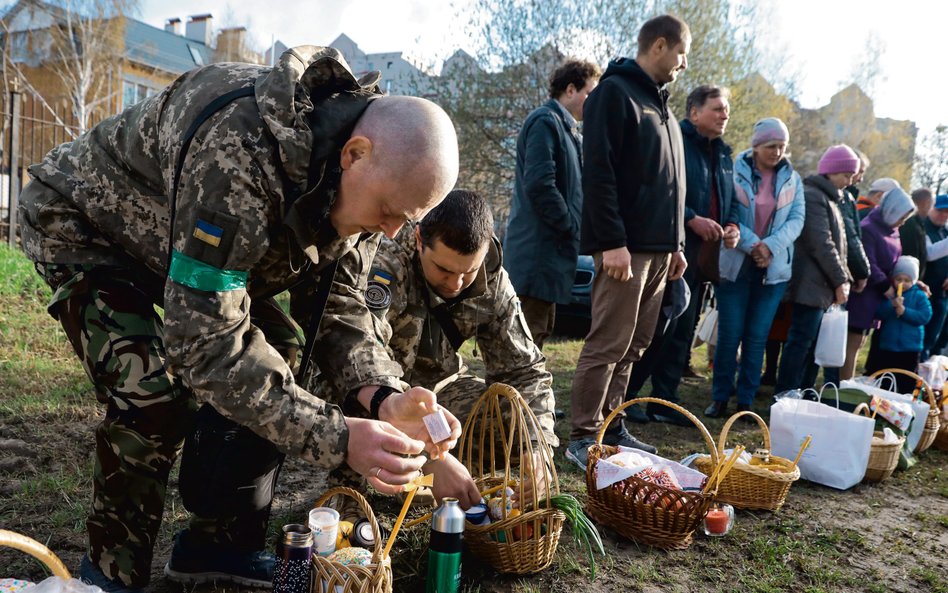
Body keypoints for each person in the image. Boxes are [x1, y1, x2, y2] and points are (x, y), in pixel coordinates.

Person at [17, 46, 461, 591]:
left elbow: (341, 309)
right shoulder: (240, 151)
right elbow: (204, 344)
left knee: (281, 352)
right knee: (151, 392)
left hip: (178, 249)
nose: (391, 233)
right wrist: (337, 436)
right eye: (391, 213)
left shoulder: (366, 186)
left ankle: (218, 545)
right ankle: (109, 575)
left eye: (404, 221)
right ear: (355, 154)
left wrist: (382, 395)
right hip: (87, 230)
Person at [317, 189, 557, 510]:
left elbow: (524, 370)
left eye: (468, 272)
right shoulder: (385, 265)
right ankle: (355, 491)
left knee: (511, 421)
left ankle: (427, 474)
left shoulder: (494, 280)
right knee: (365, 400)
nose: (456, 284)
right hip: (377, 394)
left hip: (441, 395)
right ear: (419, 240)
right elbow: (361, 362)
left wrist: (537, 447)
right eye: (444, 270)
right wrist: (431, 456)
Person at [565, 14, 691, 469]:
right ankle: (582, 435)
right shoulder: (613, 95)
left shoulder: (663, 107)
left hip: (660, 252)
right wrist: (611, 241)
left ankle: (611, 426)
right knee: (609, 342)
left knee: (635, 345)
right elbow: (599, 174)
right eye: (681, 54)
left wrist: (676, 244)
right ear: (659, 45)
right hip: (626, 249)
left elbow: (671, 186)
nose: (682, 64)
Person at [624, 84, 738, 425]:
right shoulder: (676, 142)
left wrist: (731, 224)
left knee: (684, 329)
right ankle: (628, 397)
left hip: (705, 256)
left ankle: (665, 400)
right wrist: (691, 218)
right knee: (658, 327)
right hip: (671, 248)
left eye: (726, 109)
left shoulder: (724, 154)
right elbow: (664, 189)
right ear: (694, 112)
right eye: (717, 108)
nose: (724, 115)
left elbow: (727, 198)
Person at [705, 117, 804, 418]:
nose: (777, 152)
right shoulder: (735, 171)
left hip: (772, 270)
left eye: (782, 147)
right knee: (730, 335)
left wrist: (770, 247)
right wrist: (754, 245)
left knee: (757, 337)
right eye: (771, 146)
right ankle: (720, 396)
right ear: (756, 145)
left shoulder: (792, 179)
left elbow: (796, 220)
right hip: (736, 264)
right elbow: (728, 212)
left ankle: (745, 401)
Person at [505, 59, 601, 349]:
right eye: (590, 94)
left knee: (537, 337)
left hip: (551, 258)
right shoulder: (546, 121)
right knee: (523, 348)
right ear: (570, 89)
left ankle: (521, 396)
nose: (594, 103)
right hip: (537, 258)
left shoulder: (569, 131)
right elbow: (540, 184)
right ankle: (511, 397)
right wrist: (571, 226)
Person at [773, 145, 857, 393]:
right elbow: (822, 243)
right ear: (831, 171)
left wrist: (845, 278)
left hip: (821, 286)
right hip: (810, 285)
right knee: (800, 342)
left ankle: (804, 393)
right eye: (846, 174)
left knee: (812, 346)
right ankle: (786, 393)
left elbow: (838, 248)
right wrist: (840, 280)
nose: (849, 180)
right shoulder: (814, 196)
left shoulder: (830, 199)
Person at [843, 187, 917, 378]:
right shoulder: (870, 228)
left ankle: (848, 385)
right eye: (901, 217)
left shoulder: (893, 229)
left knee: (860, 342)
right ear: (892, 210)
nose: (903, 222)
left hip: (879, 295)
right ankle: (844, 389)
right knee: (853, 343)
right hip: (866, 293)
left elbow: (894, 260)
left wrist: (914, 281)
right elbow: (868, 261)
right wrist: (885, 285)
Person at [867, 256, 932, 393]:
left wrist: (905, 312)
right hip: (888, 346)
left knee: (906, 381)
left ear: (913, 281)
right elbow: (879, 312)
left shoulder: (919, 296)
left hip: (910, 348)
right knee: (887, 379)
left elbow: (925, 316)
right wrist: (891, 305)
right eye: (899, 279)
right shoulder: (890, 295)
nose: (902, 283)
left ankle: (904, 405)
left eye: (907, 280)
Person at [922, 194, 948, 358]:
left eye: (947, 212)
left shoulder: (945, 231)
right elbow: (929, 254)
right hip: (926, 291)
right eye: (940, 210)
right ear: (931, 208)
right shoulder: (923, 227)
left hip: (943, 294)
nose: (943, 215)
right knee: (925, 338)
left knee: (939, 339)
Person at [900, 188, 934, 279]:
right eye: (932, 203)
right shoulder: (910, 224)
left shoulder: (918, 222)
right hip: (907, 280)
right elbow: (910, 255)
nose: (932, 207)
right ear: (926, 203)